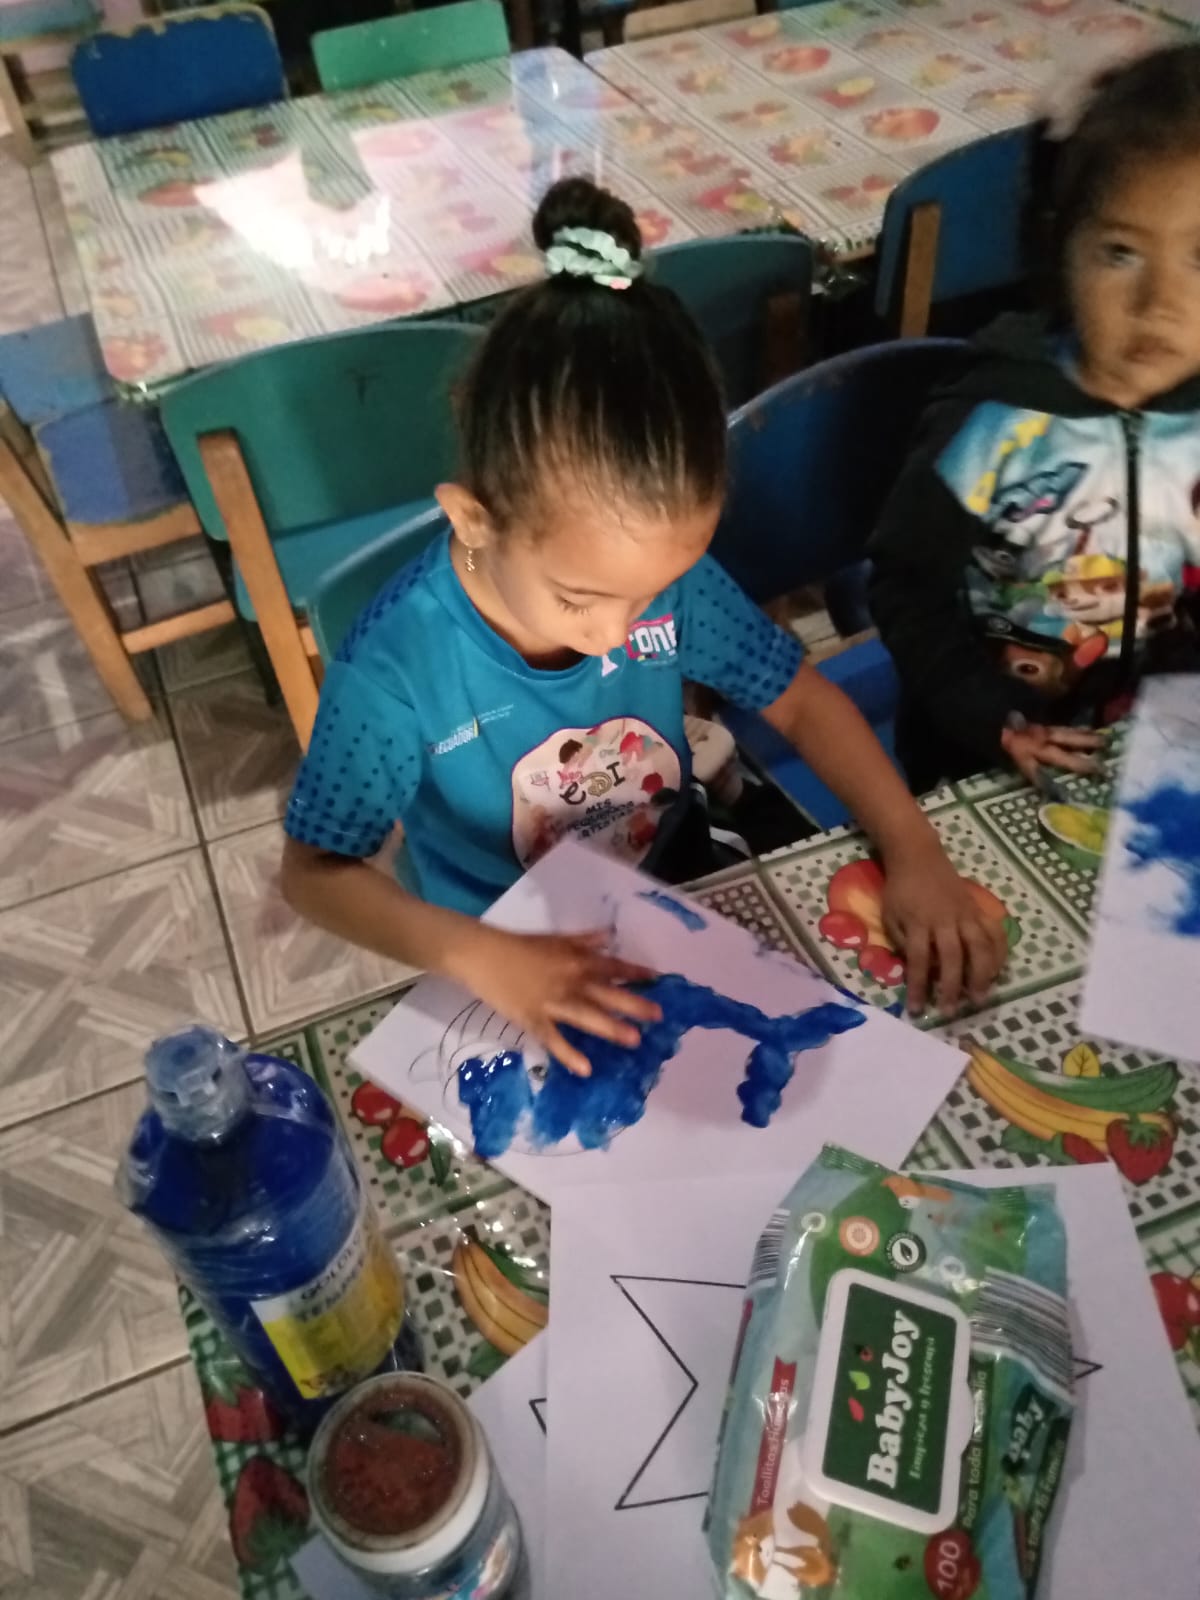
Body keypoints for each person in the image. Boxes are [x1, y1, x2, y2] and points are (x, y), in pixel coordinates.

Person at [281, 178, 1005, 1072]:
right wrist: (477, 955)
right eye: (578, 599)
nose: (616, 633)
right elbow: (314, 875)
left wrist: (913, 844)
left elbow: (802, 702)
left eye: (651, 591)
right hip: (499, 947)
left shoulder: (667, 588)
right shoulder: (396, 669)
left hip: (671, 889)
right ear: (474, 520)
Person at [870, 41, 1200, 797]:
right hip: (989, 760)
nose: (1160, 304)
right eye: (1120, 252)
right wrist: (994, 721)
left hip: (1150, 751)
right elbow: (905, 588)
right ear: (1059, 248)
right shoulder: (993, 419)